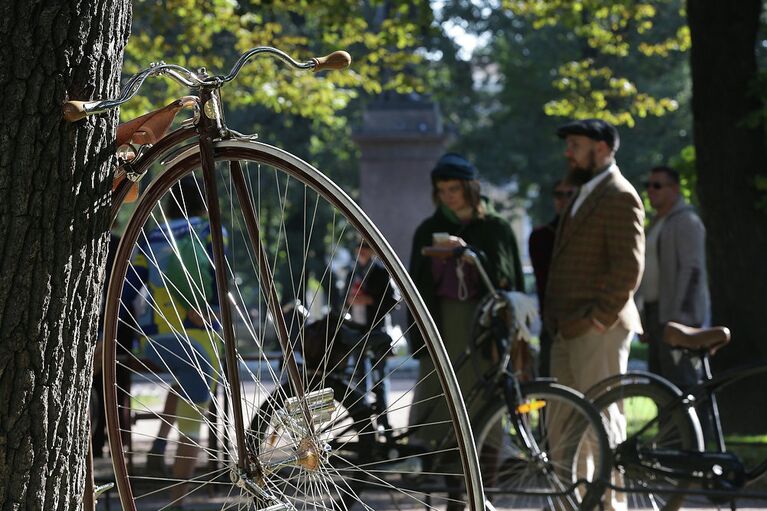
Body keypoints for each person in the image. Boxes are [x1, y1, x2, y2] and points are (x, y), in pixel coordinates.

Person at [545, 119, 644, 511]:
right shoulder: (586, 192)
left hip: (596, 328)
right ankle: (577, 505)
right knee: (562, 426)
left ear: (602, 147)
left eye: (575, 144)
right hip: (567, 328)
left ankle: (612, 506)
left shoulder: (620, 194)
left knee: (601, 425)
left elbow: (629, 268)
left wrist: (599, 319)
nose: (568, 152)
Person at [408, 152, 524, 447]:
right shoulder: (426, 230)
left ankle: (484, 483)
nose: (449, 197)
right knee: (439, 406)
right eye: (442, 191)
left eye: (455, 189)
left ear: (470, 188)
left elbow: (507, 280)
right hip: (441, 327)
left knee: (483, 406)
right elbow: (416, 285)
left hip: (482, 329)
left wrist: (471, 256)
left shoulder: (496, 227)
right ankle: (447, 483)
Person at [123, 174, 222, 506]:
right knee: (194, 421)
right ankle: (177, 499)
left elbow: (127, 290)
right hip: (200, 334)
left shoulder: (150, 236)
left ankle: (160, 443)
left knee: (182, 384)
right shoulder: (209, 231)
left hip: (157, 339)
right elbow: (220, 280)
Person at [637, 165, 709, 389]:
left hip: (676, 317)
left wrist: (680, 318)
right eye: (647, 185)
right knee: (660, 386)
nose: (651, 190)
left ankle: (694, 426)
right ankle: (669, 426)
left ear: (674, 189)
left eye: (657, 185)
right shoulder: (655, 224)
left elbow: (692, 270)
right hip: (654, 314)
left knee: (684, 385)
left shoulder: (686, 221)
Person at [343, 238, 399, 431]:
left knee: (380, 379)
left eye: (365, 248)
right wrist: (349, 301)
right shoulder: (353, 273)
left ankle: (384, 422)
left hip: (377, 332)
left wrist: (370, 300)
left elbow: (392, 301)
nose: (362, 251)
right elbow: (343, 301)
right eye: (359, 247)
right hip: (357, 330)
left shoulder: (381, 273)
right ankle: (363, 423)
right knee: (358, 379)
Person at [528, 179, 575, 377]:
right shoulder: (540, 237)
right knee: (548, 379)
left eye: (569, 194)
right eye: (558, 195)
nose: (563, 200)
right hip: (551, 320)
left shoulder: (586, 235)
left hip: (581, 318)